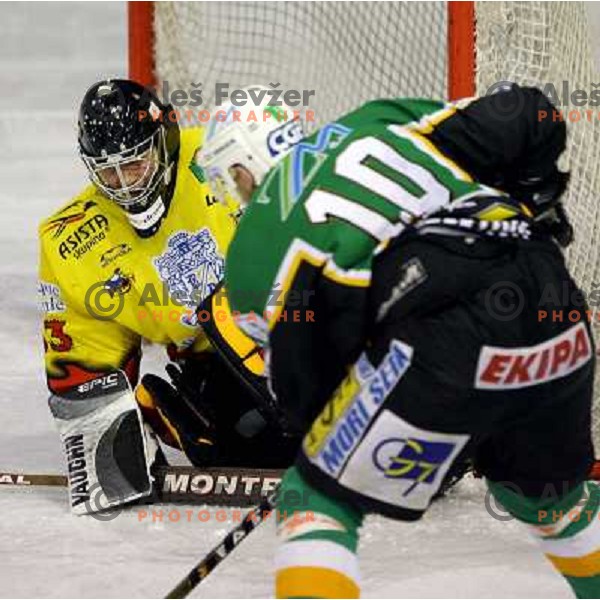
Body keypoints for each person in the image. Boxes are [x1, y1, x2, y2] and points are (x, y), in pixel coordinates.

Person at [197, 84, 600, 598]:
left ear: (248, 157)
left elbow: (307, 387)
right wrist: (534, 200)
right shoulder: (382, 119)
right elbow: (528, 110)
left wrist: (319, 444)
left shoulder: (251, 254)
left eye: (232, 174)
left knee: (313, 498)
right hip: (553, 302)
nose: (237, 192)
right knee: (544, 497)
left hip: (445, 338)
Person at [39, 79, 297, 515]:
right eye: (108, 172)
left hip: (297, 327)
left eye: (135, 165)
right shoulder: (73, 242)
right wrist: (107, 438)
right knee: (243, 445)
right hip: (217, 364)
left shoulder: (223, 155)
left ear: (163, 141)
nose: (125, 185)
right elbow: (83, 359)